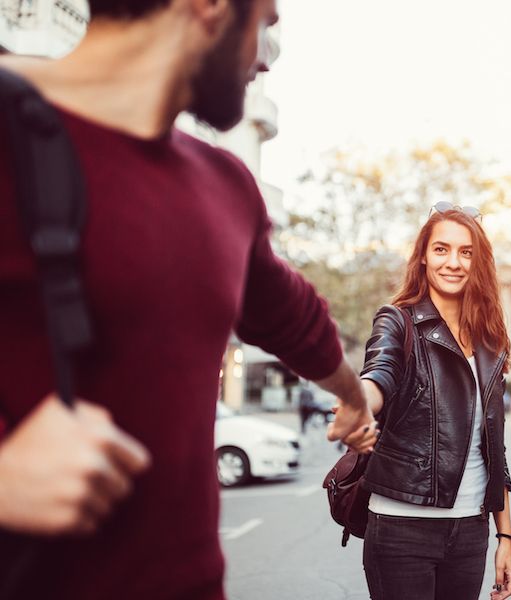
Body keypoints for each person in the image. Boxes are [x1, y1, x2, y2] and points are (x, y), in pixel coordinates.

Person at [0, 1, 377, 598]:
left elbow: (294, 318)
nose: (266, 62)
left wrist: (352, 398)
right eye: (265, 26)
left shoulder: (225, 184)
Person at [353, 202, 511, 600]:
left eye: (466, 252)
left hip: (470, 531)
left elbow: (493, 447)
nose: (454, 263)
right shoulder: (397, 320)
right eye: (441, 249)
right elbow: (379, 372)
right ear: (423, 257)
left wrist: (506, 536)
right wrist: (360, 403)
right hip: (401, 528)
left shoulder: (490, 340)